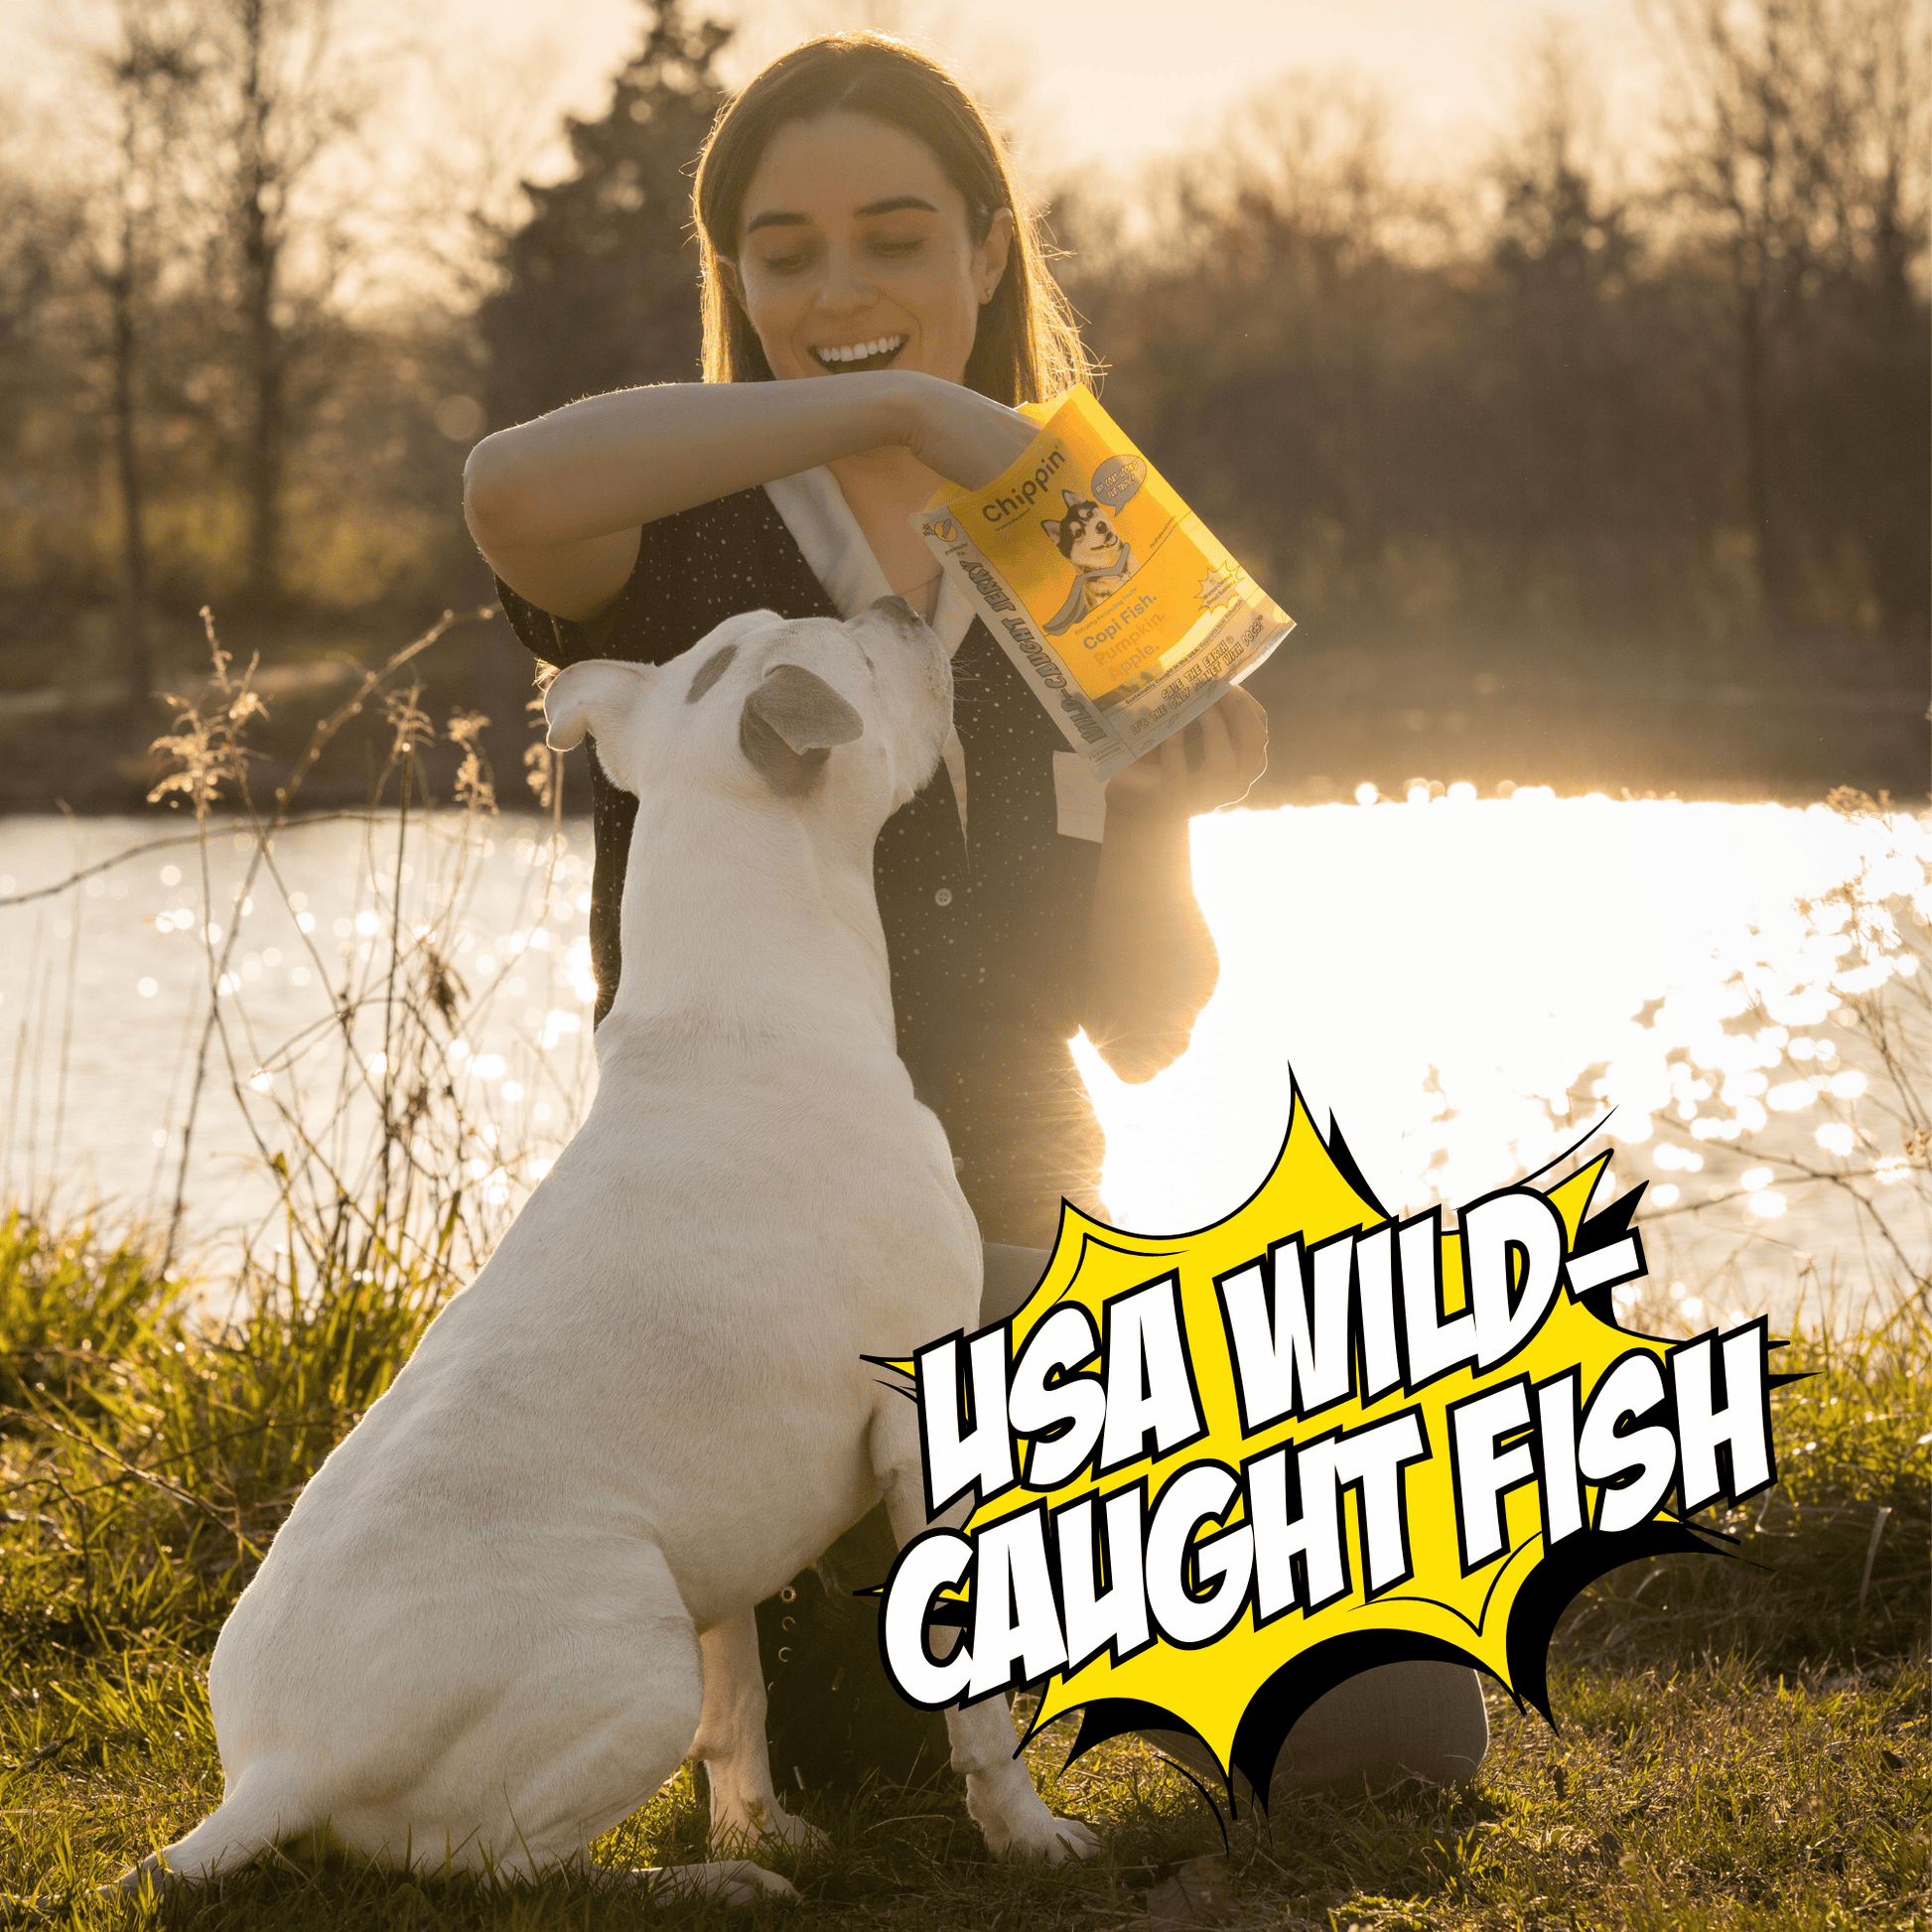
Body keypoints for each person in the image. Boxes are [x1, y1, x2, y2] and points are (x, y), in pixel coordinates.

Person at [464, 30, 1483, 1812]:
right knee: (871, 1760)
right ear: (734, 277)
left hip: (1029, 1260)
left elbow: (1145, 1025)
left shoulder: (1083, 554)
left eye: (895, 237)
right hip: (757, 1295)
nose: (840, 289)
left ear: (987, 249)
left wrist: (1162, 823)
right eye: (785, 253)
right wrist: (900, 409)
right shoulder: (672, 536)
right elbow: (507, 487)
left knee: (1397, 1727)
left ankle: (1075, 1575)